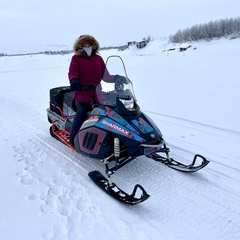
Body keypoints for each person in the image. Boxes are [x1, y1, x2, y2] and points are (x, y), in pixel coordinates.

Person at [68, 34, 127, 145]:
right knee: (83, 111)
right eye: (84, 43)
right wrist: (74, 80)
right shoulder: (76, 59)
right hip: (82, 94)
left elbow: (106, 77)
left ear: (93, 44)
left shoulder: (98, 59)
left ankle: (118, 136)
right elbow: (72, 73)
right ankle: (73, 137)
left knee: (114, 109)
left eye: (89, 43)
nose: (87, 45)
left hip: (98, 94)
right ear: (79, 46)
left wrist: (118, 78)